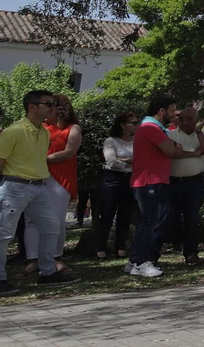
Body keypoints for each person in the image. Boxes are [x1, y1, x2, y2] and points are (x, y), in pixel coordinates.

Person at [0, 90, 78, 294]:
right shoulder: (14, 131)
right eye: (48, 104)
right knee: (4, 234)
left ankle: (47, 272)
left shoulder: (43, 132)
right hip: (15, 187)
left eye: (53, 104)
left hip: (39, 186)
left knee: (52, 227)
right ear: (32, 107)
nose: (53, 108)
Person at [129, 94, 200, 277]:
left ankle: (135, 260)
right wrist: (174, 145)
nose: (174, 115)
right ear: (161, 111)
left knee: (147, 221)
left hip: (151, 179)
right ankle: (140, 262)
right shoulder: (151, 127)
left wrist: (173, 145)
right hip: (149, 180)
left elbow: (172, 148)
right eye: (171, 111)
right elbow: (171, 150)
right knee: (148, 222)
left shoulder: (154, 128)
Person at [22, 92, 81, 276]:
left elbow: (69, 152)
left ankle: (56, 257)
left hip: (60, 177)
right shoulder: (39, 128)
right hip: (36, 175)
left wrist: (42, 159)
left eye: (51, 105)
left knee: (55, 220)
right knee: (31, 220)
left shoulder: (72, 128)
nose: (49, 109)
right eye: (47, 105)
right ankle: (33, 260)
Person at [166, 108, 204, 265]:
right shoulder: (170, 134)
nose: (185, 122)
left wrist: (198, 132)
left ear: (196, 120)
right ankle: (164, 248)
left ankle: (191, 252)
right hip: (173, 182)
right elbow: (173, 154)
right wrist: (193, 153)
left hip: (194, 182)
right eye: (182, 119)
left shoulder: (203, 135)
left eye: (189, 119)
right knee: (169, 217)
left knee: (192, 217)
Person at [95, 111, 138, 259]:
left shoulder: (137, 141)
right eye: (132, 122)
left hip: (130, 179)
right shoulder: (111, 141)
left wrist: (124, 160)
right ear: (122, 125)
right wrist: (129, 162)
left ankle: (120, 247)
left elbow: (141, 160)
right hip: (112, 179)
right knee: (107, 213)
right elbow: (111, 162)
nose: (135, 126)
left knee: (125, 214)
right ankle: (100, 247)